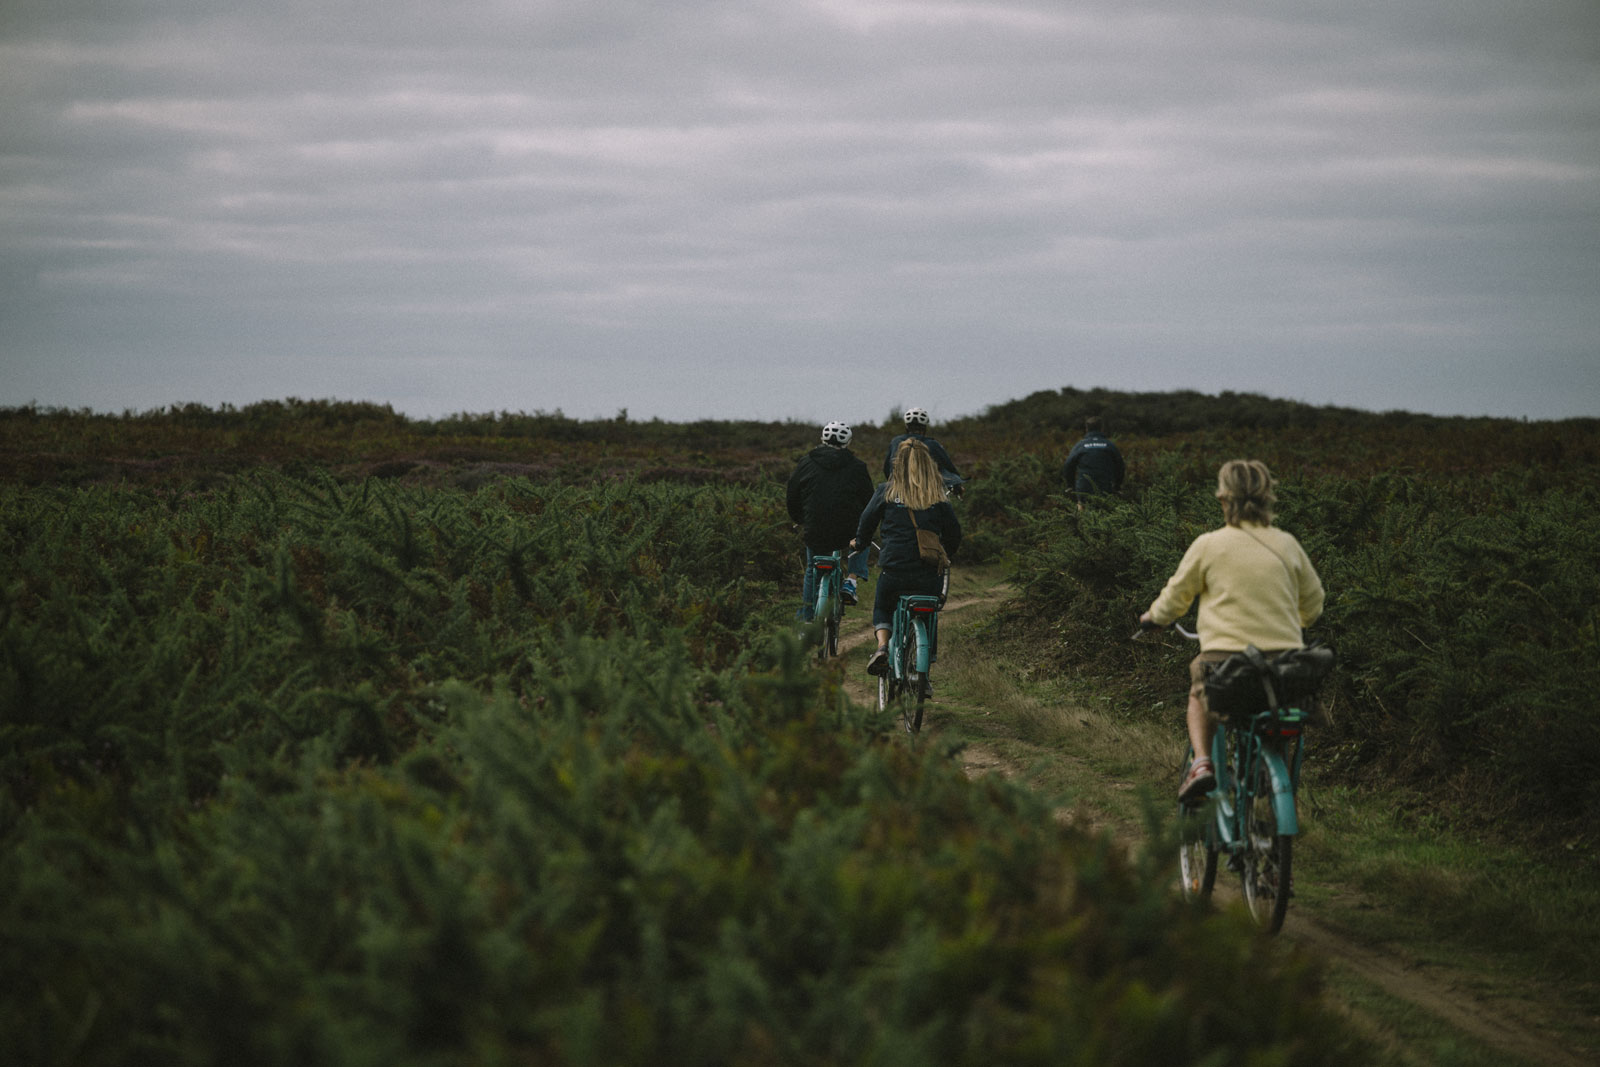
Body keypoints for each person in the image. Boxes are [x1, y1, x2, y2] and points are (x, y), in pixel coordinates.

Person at [1139, 459, 1325, 802]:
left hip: (1224, 662)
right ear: (1268, 497)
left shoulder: (1209, 545)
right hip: (1285, 663)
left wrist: (1154, 617)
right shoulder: (1287, 544)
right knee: (1275, 708)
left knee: (1200, 693)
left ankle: (1203, 765)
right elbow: (1313, 606)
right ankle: (1269, 782)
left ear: (1224, 499)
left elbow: (1175, 599)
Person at [853, 438, 962, 677]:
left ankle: (882, 647)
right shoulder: (937, 496)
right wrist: (945, 555)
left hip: (894, 568)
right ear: (928, 465)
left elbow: (866, 522)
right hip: (927, 573)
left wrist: (860, 543)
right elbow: (954, 534)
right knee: (929, 613)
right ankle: (924, 670)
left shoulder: (886, 491)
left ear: (897, 465)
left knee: (883, 607)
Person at [786, 421, 874, 620]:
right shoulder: (858, 467)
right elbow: (870, 502)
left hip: (815, 528)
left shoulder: (806, 462)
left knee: (811, 569)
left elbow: (792, 493)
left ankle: (806, 618)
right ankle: (851, 580)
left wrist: (800, 518)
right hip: (848, 530)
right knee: (864, 534)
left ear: (822, 439)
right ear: (848, 442)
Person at [882, 407, 961, 486]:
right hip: (927, 490)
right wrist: (957, 483)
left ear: (907, 426)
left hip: (898, 488)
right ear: (924, 427)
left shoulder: (896, 442)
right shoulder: (932, 444)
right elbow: (948, 467)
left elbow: (887, 469)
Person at [1061, 416, 1125, 506]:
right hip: (1105, 489)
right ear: (1102, 428)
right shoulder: (1109, 445)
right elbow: (1120, 466)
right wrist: (1117, 486)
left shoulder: (1080, 445)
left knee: (1082, 512)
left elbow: (1068, 465)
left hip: (1083, 489)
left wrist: (1070, 485)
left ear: (1086, 429)